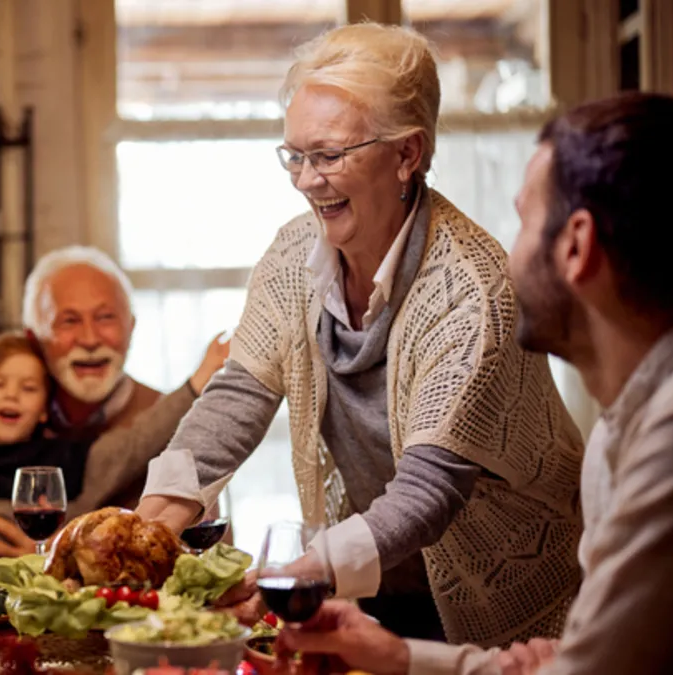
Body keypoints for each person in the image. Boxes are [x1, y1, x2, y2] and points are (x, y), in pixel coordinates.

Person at [134, 22, 583, 646]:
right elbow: (240, 394)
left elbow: (430, 489)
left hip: (506, 602)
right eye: (294, 155)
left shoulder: (472, 290)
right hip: (376, 585)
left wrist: (290, 581)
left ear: (408, 154)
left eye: (330, 155)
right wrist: (146, 527)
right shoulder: (296, 253)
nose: (304, 179)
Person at [274, 91, 673, 675]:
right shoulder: (624, 430)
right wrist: (397, 655)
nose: (501, 257)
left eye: (523, 222)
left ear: (576, 246)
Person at [0, 243, 227, 566]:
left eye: (105, 318)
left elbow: (210, 556)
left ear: (131, 327)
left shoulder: (177, 425)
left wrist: (60, 562)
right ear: (33, 337)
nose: (88, 338)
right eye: (68, 320)